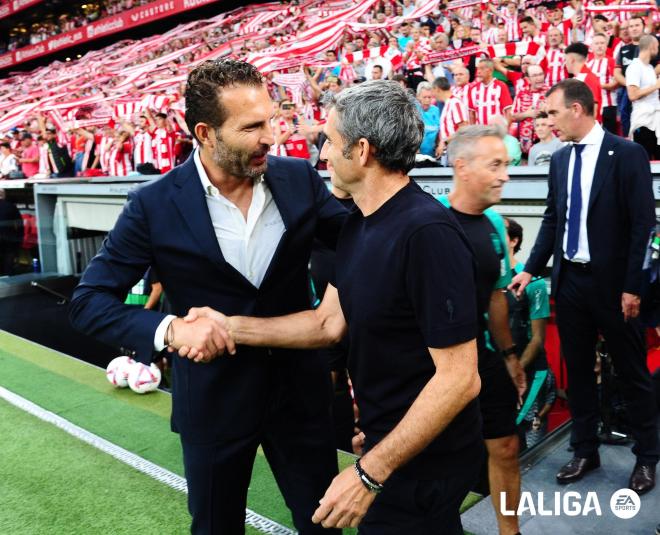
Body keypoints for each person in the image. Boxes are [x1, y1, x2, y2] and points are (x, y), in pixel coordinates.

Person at [182, 80, 484, 533]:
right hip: (391, 449)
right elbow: (327, 324)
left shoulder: (426, 233)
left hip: (425, 465)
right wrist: (228, 326)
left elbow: (460, 379)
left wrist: (370, 472)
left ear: (362, 151)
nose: (321, 154)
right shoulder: (358, 226)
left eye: (330, 141)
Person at [69, 59, 347, 534]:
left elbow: (359, 242)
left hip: (300, 397)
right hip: (213, 403)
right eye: (253, 127)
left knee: (323, 525)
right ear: (206, 132)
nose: (271, 137)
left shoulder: (300, 180)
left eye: (272, 120)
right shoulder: (153, 205)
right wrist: (171, 329)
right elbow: (88, 300)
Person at [510, 78, 659, 495]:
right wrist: (530, 268)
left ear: (578, 109)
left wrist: (633, 286)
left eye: (553, 113)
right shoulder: (559, 160)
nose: (548, 121)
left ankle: (647, 457)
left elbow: (642, 225)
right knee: (576, 371)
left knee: (632, 373)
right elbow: (553, 219)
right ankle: (584, 450)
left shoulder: (627, 154)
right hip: (570, 280)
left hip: (615, 288)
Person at [438, 125, 526, 535]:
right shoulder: (430, 221)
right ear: (462, 167)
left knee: (506, 447)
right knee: (444, 457)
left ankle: (510, 531)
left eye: (506, 165)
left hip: (483, 358)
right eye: (496, 165)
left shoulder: (494, 223)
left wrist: (509, 357)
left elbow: (495, 298)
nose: (505, 175)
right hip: (436, 365)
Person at [503, 217, 554, 451]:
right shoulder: (488, 278)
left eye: (499, 233)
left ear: (513, 241)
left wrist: (516, 370)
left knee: (528, 443)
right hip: (499, 371)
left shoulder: (533, 282)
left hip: (531, 372)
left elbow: (538, 338)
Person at [626, 34, 660, 161]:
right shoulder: (634, 67)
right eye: (657, 46)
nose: (658, 49)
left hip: (655, 122)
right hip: (643, 122)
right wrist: (656, 86)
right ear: (651, 46)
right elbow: (632, 95)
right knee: (643, 162)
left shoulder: (650, 68)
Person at [0, 188, 23, 275]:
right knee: (8, 262)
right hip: (9, 239)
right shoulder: (11, 206)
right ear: (3, 195)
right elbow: (19, 224)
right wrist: (19, 238)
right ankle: (9, 279)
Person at [415, 81, 441, 157]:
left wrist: (439, 145)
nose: (427, 100)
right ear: (418, 96)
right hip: (416, 155)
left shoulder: (436, 110)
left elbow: (439, 131)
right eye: (424, 97)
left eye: (429, 97)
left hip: (432, 155)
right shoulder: (413, 110)